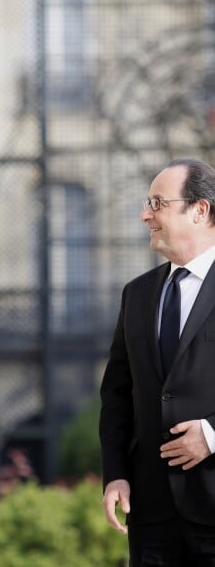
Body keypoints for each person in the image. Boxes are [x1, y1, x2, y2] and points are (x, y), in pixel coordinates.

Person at [100, 157, 215, 565]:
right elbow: (116, 393)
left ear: (200, 210)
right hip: (150, 515)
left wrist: (212, 434)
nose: (144, 215)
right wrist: (115, 473)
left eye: (157, 203)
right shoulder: (138, 294)